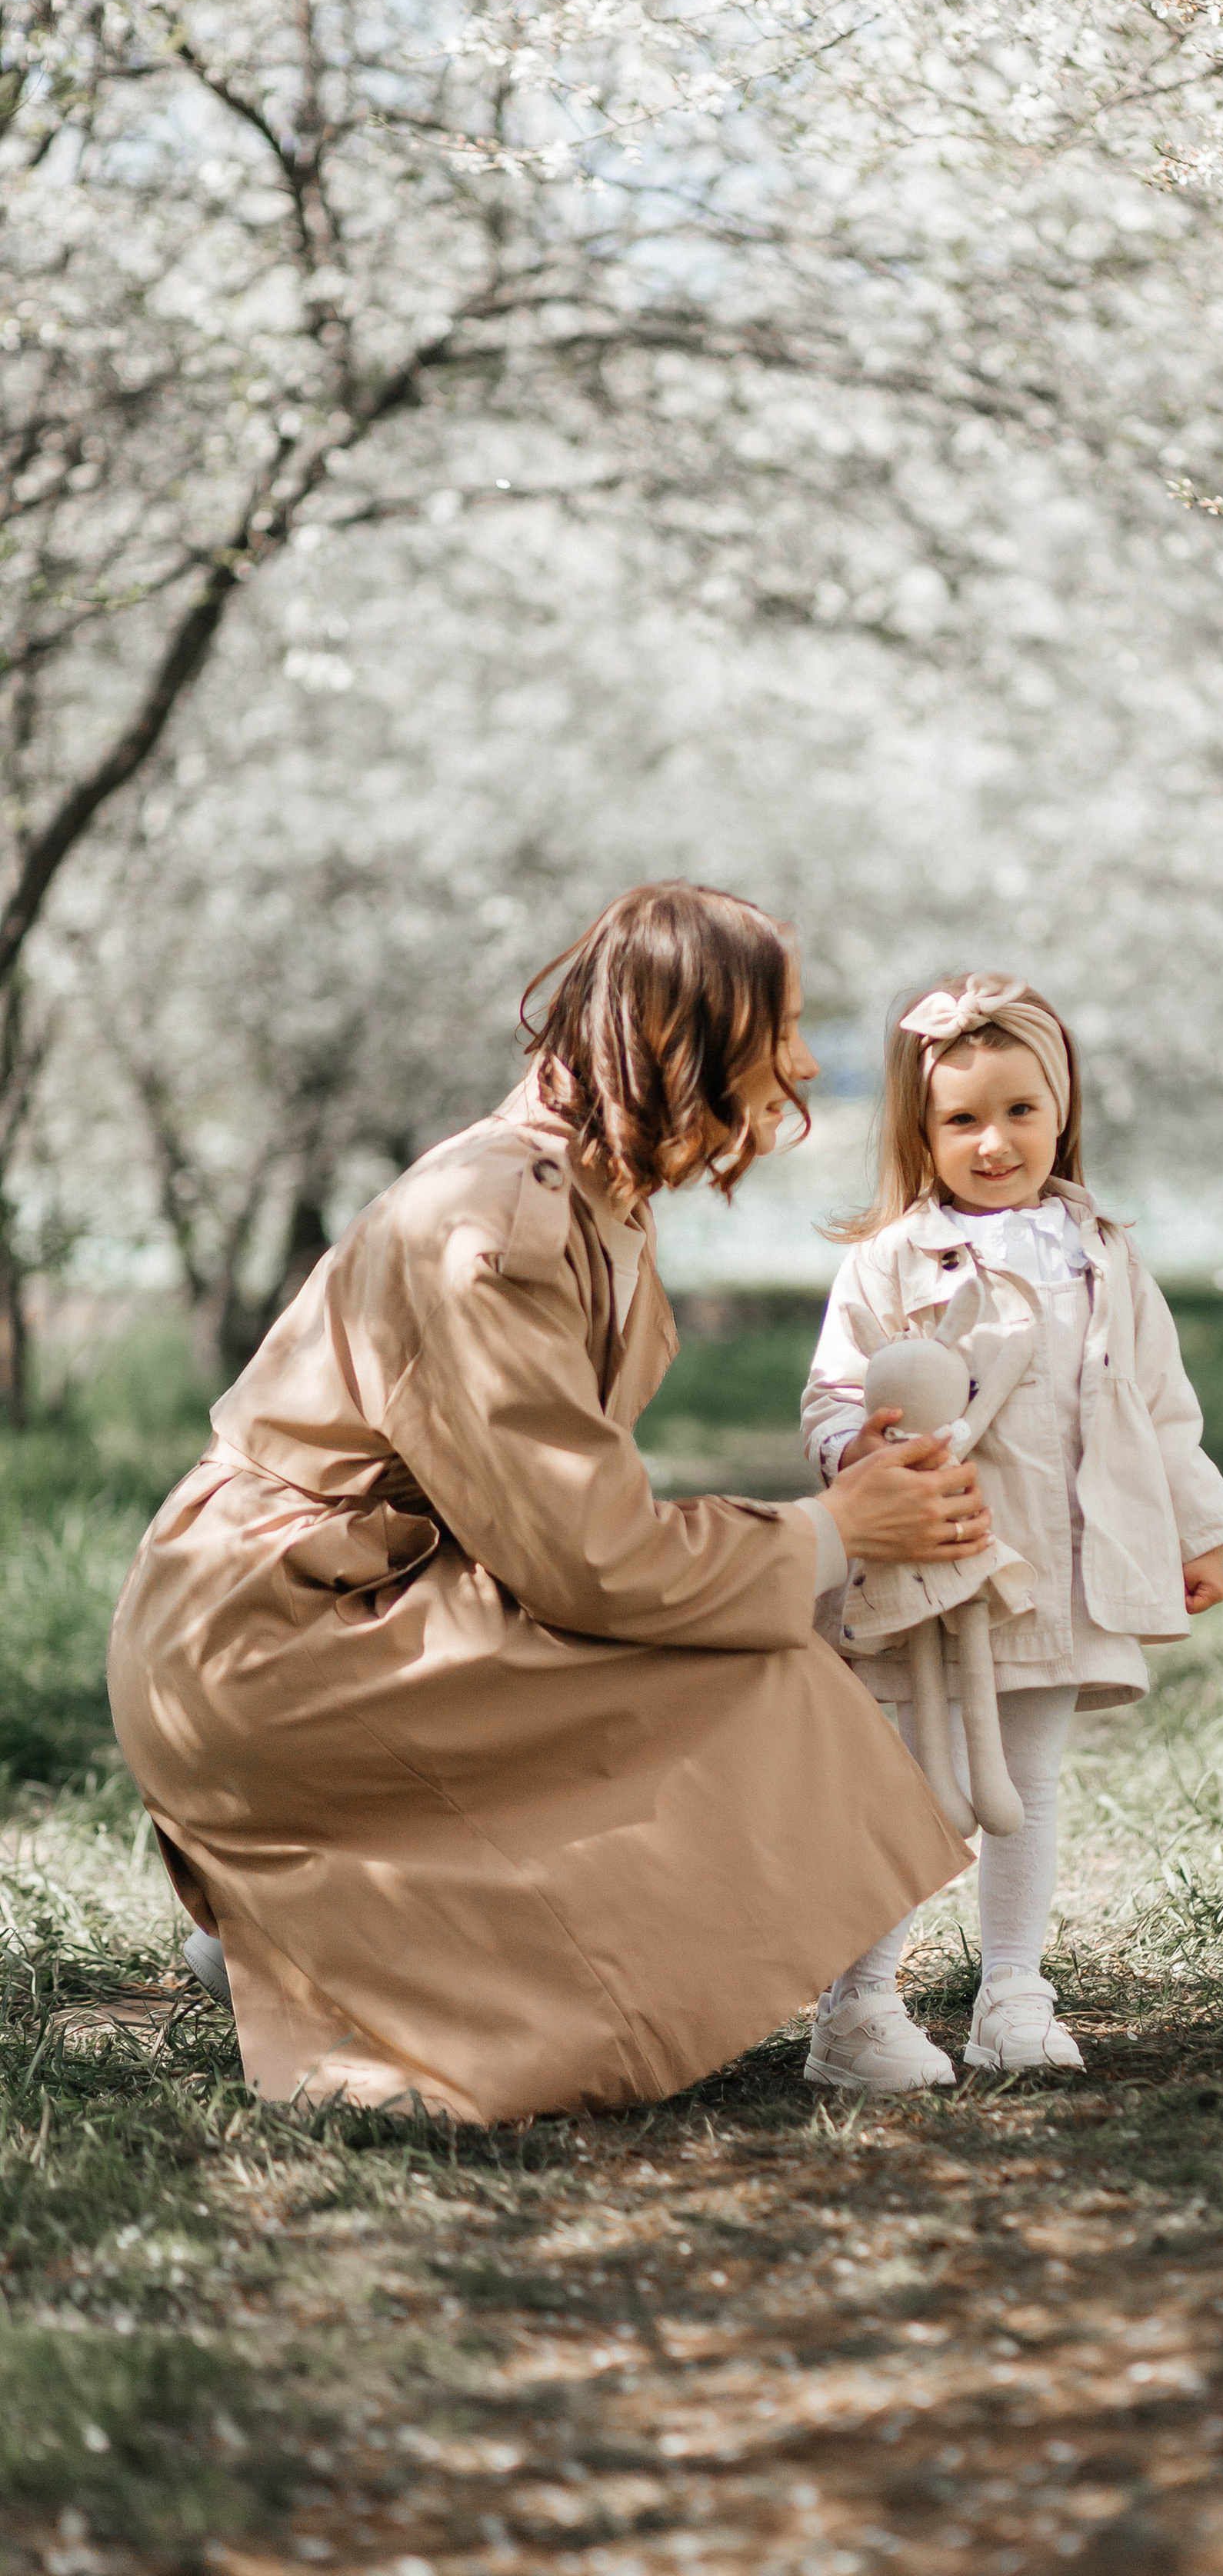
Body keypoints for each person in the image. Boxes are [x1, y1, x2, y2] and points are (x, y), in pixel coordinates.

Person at [107, 885, 989, 2124]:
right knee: (759, 1675)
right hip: (283, 1634)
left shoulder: (580, 1189)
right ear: (686, 1043)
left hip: (341, 1602)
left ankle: (334, 1944)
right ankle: (366, 1969)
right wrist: (832, 1535)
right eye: (773, 1030)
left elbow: (557, 1509)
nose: (795, 1062)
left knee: (737, 1642)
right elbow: (585, 1558)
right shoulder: (497, 1221)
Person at [799, 971, 1223, 2091]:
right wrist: (855, 1450)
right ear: (919, 1127)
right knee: (914, 1787)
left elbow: (1158, 1401)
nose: (994, 1143)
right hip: (931, 1562)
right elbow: (835, 1395)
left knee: (1029, 1785)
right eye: (962, 1118)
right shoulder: (891, 1258)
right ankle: (857, 2004)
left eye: (1019, 1112)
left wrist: (1198, 1531)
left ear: (1062, 1115)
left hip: (1060, 1569)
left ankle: (1013, 1991)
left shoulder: (1098, 1252)